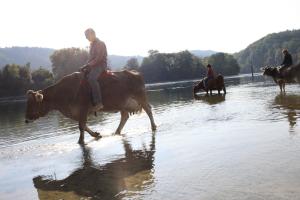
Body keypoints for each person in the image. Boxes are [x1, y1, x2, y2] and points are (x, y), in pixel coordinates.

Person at [80, 28, 107, 110]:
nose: (86, 38)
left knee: (92, 78)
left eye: (87, 36)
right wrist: (85, 66)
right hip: (93, 65)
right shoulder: (92, 45)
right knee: (80, 76)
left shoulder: (100, 43)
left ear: (92, 34)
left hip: (101, 65)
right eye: (85, 36)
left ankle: (98, 102)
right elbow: (91, 58)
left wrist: (89, 65)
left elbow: (99, 58)